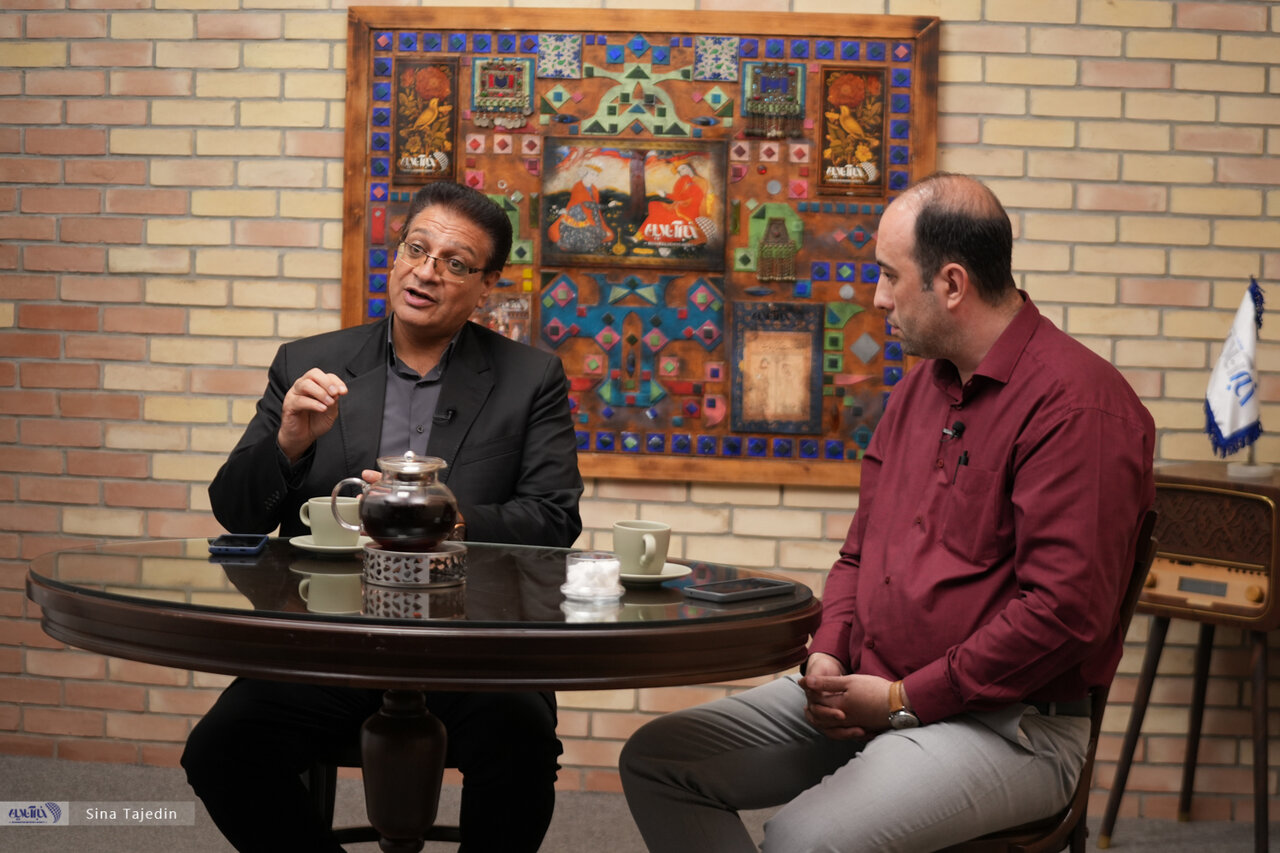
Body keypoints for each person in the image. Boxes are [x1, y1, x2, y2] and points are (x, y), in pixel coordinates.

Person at [620, 173, 1155, 853]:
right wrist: (827, 653)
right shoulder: (917, 391)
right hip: (871, 690)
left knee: (803, 840)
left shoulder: (1079, 407)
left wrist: (905, 698)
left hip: (1011, 725)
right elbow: (859, 554)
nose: (877, 298)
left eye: (888, 276)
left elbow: (1064, 614)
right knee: (659, 762)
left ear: (952, 284)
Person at [184, 181, 583, 853]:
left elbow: (552, 520)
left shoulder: (530, 377)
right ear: (396, 256)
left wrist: (444, 519)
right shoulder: (309, 364)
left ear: (487, 284)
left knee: (521, 743)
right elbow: (238, 513)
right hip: (330, 643)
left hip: (476, 648)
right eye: (416, 249)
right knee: (222, 750)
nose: (427, 272)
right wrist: (288, 443)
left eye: (455, 263)